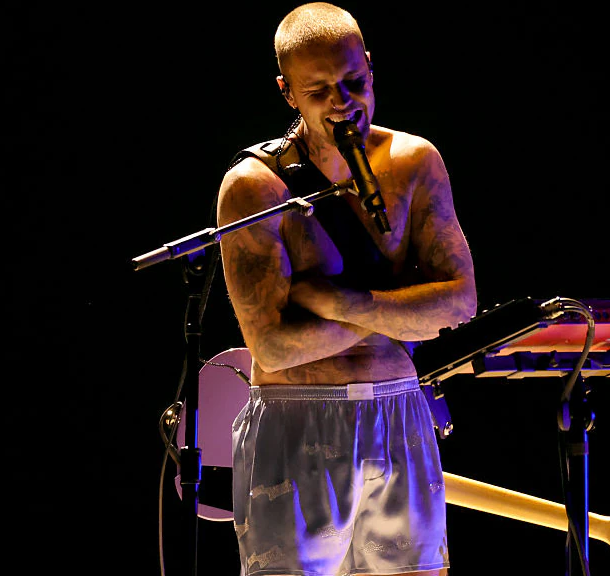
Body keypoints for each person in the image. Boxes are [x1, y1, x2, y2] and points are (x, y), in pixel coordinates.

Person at [215, 3, 477, 575]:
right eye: (320, 90)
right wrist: (406, 311)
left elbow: (459, 304)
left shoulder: (414, 161)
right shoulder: (255, 188)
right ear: (287, 92)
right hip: (295, 415)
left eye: (354, 81)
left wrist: (340, 303)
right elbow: (274, 348)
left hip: (399, 409)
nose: (343, 101)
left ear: (371, 69)